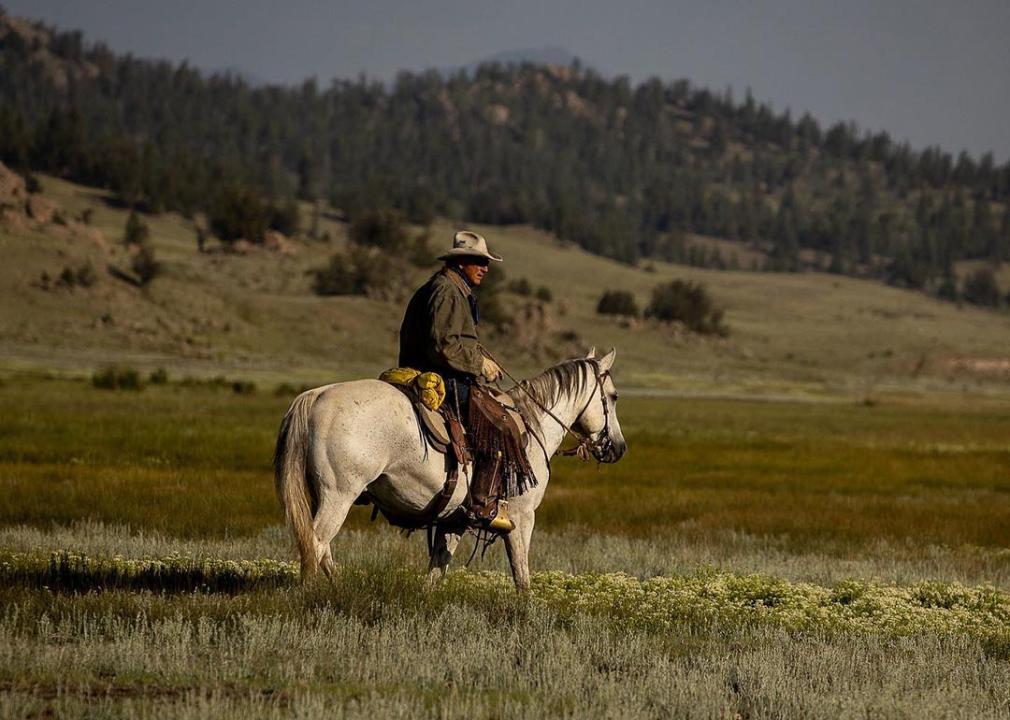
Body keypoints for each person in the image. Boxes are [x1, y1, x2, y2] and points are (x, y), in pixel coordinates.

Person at [398, 230, 511, 530]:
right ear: (461, 261)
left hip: (436, 372)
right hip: (439, 378)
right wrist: (479, 365)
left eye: (486, 262)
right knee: (497, 426)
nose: (485, 268)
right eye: (478, 261)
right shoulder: (447, 291)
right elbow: (444, 346)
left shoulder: (450, 288)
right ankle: (480, 505)